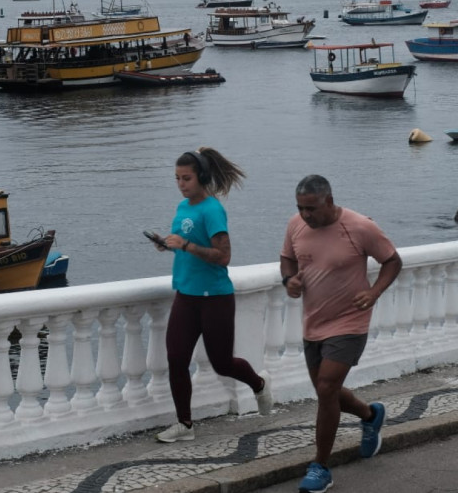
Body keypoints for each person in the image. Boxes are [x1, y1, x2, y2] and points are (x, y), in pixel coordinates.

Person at [280, 174, 403, 493]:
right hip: (313, 322)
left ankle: (320, 466)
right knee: (326, 391)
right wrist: (288, 280)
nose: (305, 215)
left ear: (329, 201)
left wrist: (374, 293)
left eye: (311, 208)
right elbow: (287, 259)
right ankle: (370, 414)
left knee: (325, 386)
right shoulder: (296, 224)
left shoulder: (360, 226)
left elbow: (392, 261)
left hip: (350, 321)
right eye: (300, 208)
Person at [153, 147, 272, 443]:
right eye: (177, 178)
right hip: (186, 293)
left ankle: (258, 384)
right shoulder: (183, 208)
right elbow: (184, 242)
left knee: (222, 363)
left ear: (202, 177)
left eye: (187, 178)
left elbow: (223, 256)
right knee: (176, 358)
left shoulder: (212, 209)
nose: (181, 184)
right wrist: (168, 245)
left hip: (215, 297)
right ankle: (185, 424)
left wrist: (186, 246)